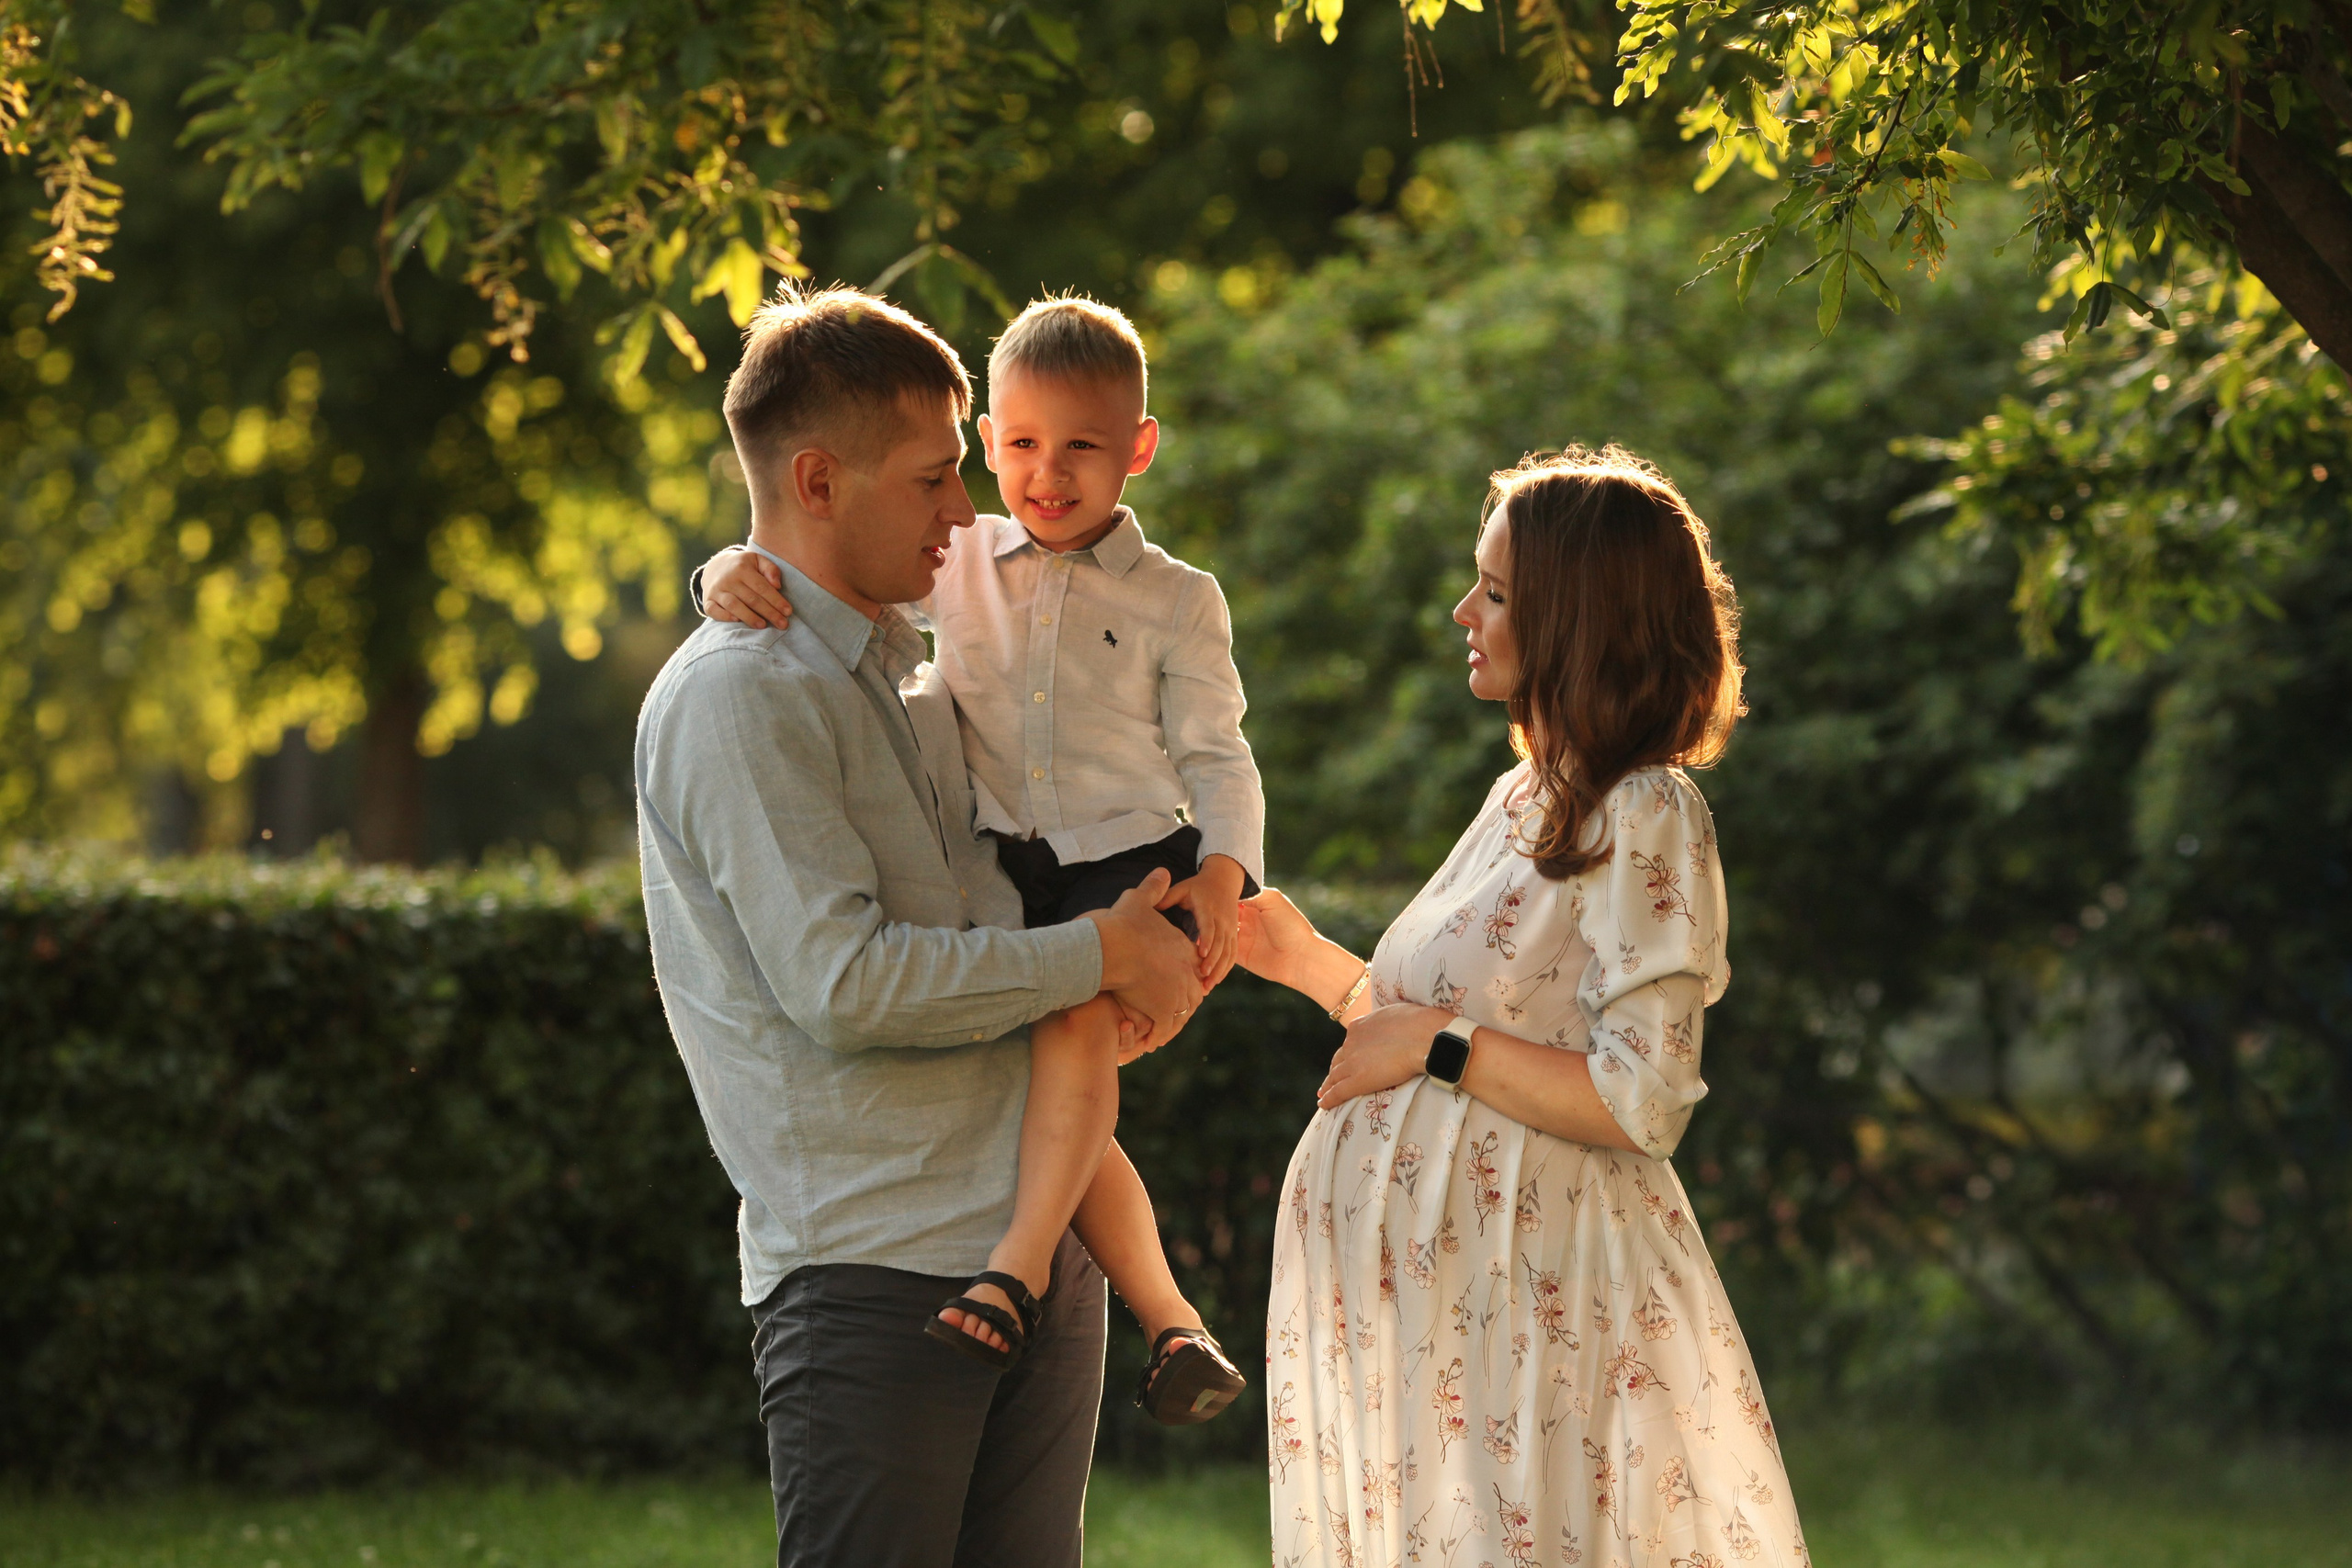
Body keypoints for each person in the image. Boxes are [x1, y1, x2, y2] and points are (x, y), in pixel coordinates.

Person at [634, 283, 1207, 1568]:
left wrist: (1148, 950)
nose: (969, 509)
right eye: (937, 475)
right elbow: (843, 984)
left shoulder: (921, 659)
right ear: (819, 478)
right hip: (874, 1270)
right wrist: (1096, 953)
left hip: (1036, 1247)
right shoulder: (741, 696)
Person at [1235, 449, 1812, 1566]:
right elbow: (1440, 1040)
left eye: (1495, 593)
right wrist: (1310, 966)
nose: (1465, 611)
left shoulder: (1646, 811)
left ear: (1576, 620)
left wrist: (1439, 1044)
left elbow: (1637, 1098)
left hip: (1539, 1300)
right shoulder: (1522, 795)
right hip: (1450, 1318)